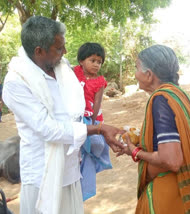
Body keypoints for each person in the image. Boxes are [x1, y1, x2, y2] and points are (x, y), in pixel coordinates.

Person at [2, 16, 124, 214]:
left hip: (70, 169)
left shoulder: (62, 69)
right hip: (42, 175)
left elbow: (74, 115)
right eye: (59, 48)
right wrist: (99, 129)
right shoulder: (16, 82)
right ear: (39, 51)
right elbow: (48, 129)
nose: (65, 52)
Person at [118, 45, 190, 213]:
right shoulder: (181, 96)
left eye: (136, 68)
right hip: (188, 191)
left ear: (149, 75)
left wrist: (135, 152)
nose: (135, 74)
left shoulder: (161, 99)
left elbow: (172, 160)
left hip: (171, 195)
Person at [73, 42, 111, 201]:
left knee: (97, 144)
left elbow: (97, 103)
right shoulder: (74, 72)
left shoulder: (100, 81)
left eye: (99, 62)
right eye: (92, 60)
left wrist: (94, 124)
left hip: (89, 117)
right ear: (81, 61)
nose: (96, 64)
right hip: (74, 115)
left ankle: (91, 163)